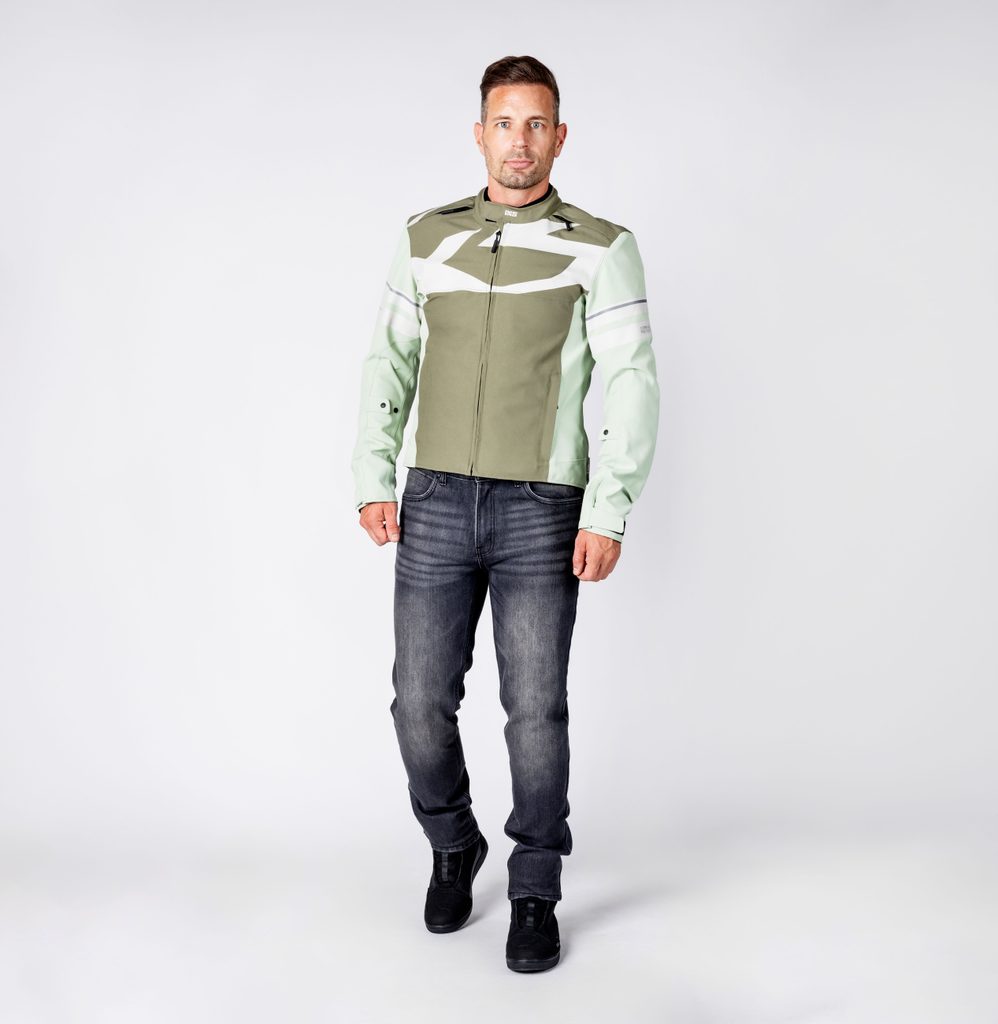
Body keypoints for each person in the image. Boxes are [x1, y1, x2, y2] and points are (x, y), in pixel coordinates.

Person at [351, 54, 660, 973]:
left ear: (559, 137)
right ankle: (454, 843)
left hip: (542, 507)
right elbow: (389, 359)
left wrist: (608, 507)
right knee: (417, 703)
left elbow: (632, 380)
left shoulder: (602, 246)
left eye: (536, 124)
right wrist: (374, 475)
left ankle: (534, 887)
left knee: (534, 711)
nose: (518, 141)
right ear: (479, 133)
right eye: (503, 122)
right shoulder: (426, 238)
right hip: (435, 499)